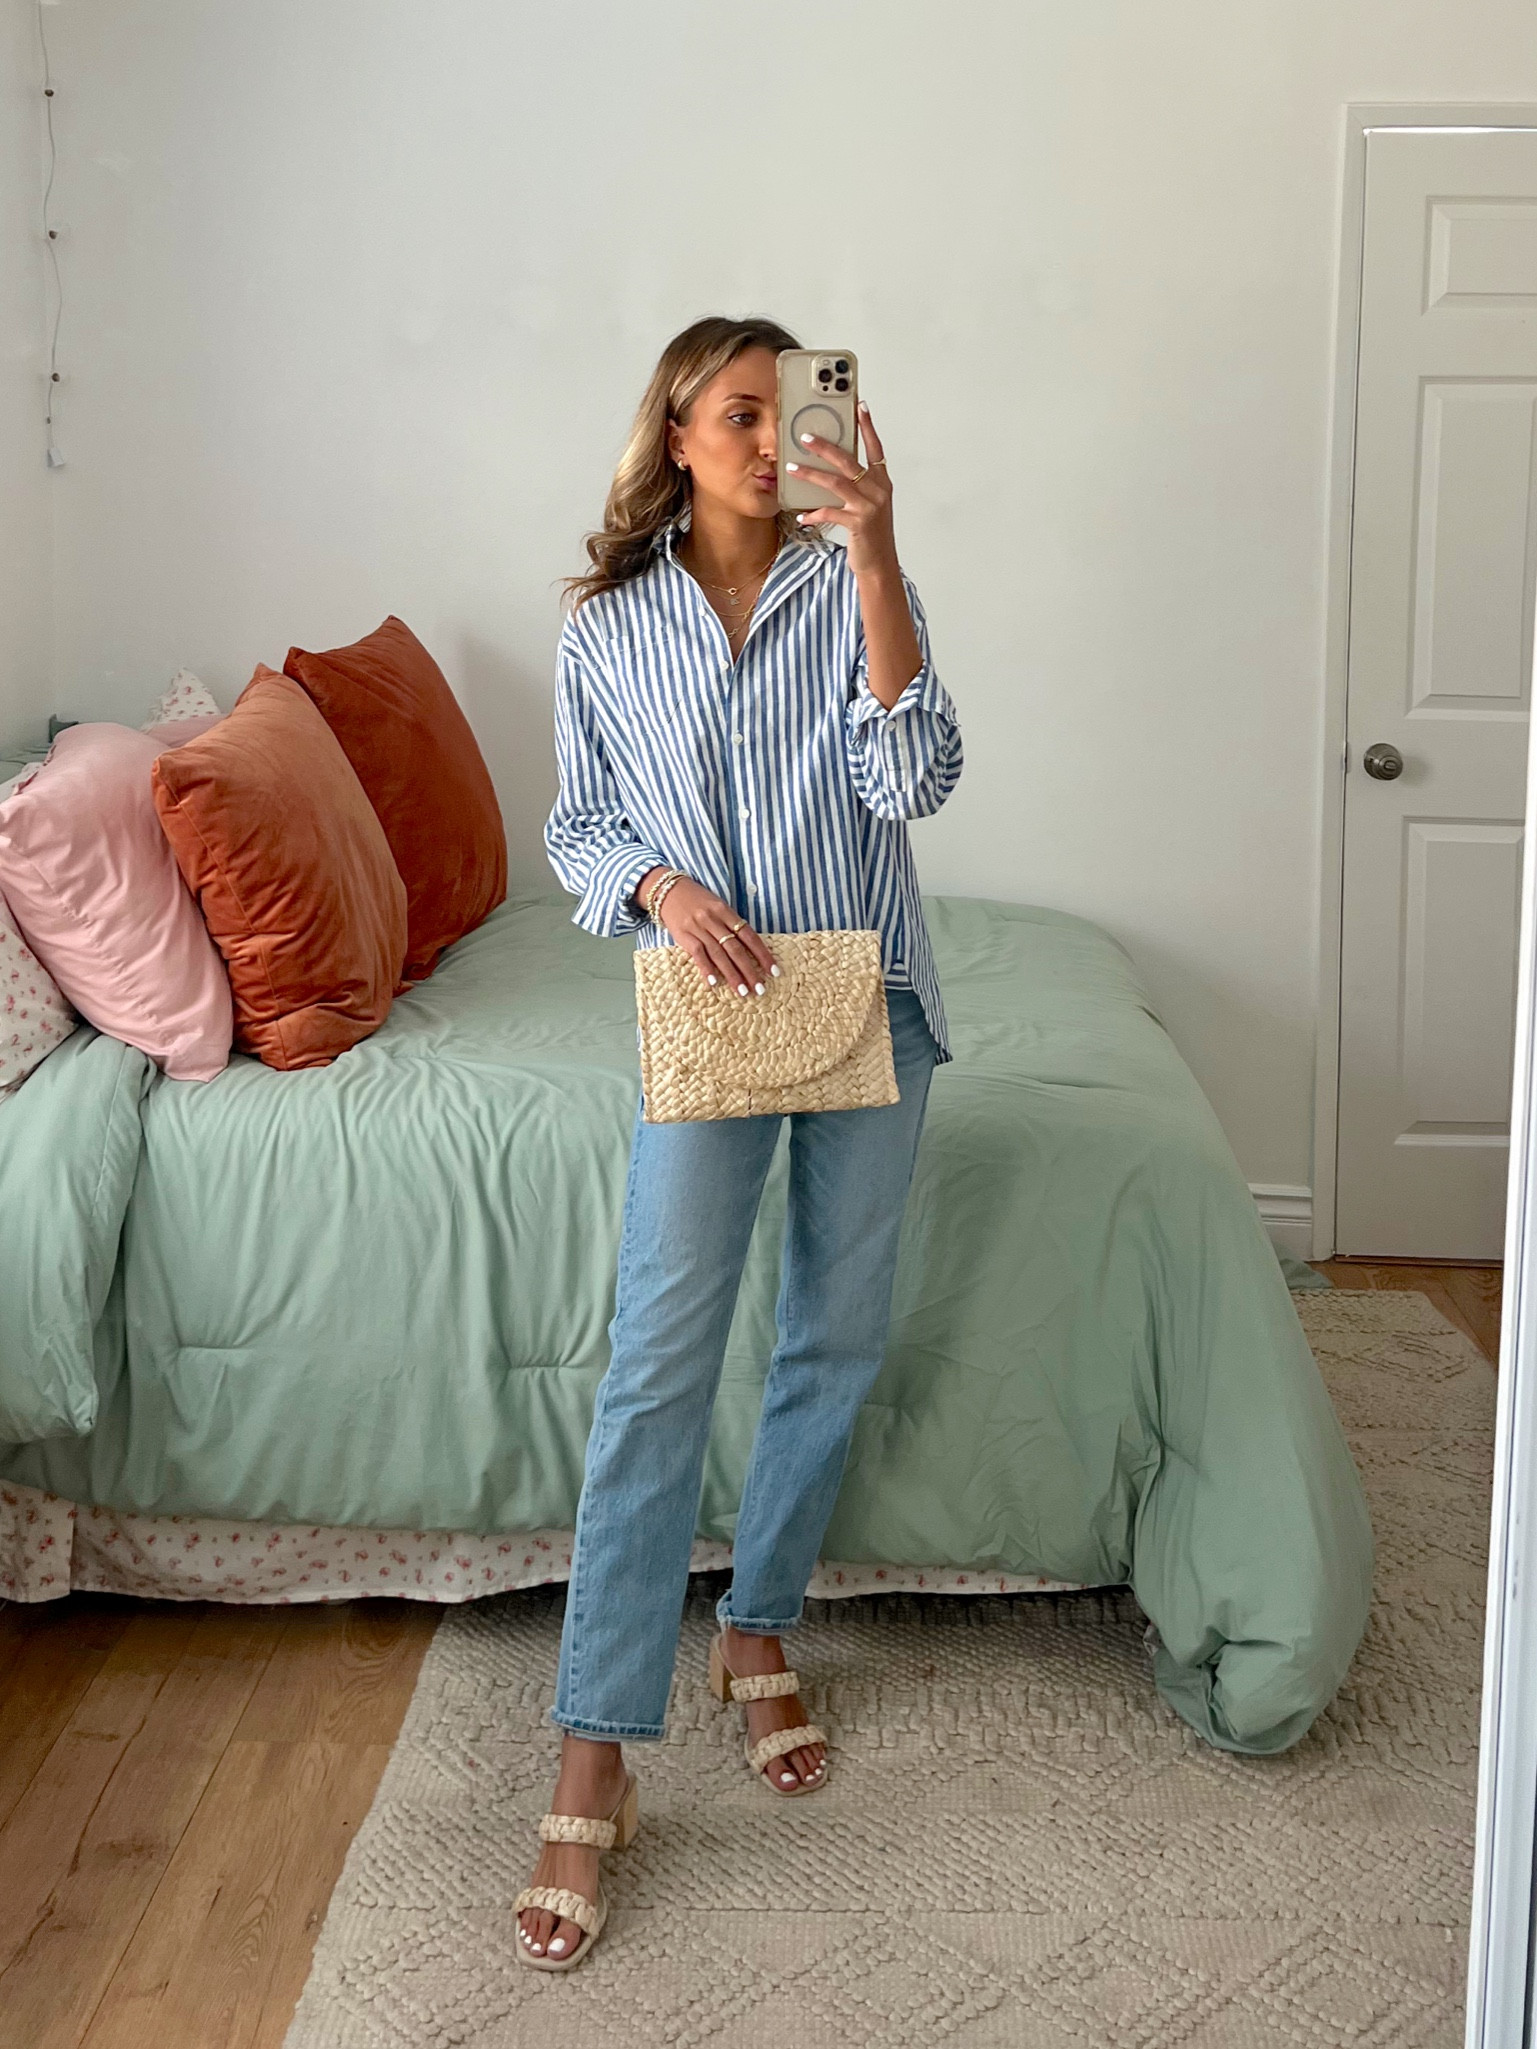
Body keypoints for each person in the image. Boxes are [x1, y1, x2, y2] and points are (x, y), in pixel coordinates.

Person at [516, 314, 963, 1968]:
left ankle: (757, 1625)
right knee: (656, 1366)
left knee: (831, 1337)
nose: (776, 441)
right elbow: (579, 824)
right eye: (742, 413)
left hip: (869, 1000)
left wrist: (878, 554)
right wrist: (659, 884)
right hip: (707, 1012)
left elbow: (912, 779)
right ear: (680, 435)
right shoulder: (607, 623)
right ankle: (593, 1751)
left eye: (797, 411)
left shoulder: (855, 586)